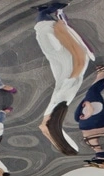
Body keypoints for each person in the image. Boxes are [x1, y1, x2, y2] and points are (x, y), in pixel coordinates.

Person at [33, 3, 95, 155]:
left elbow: (79, 62)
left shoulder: (61, 102)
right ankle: (46, 11)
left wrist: (63, 30)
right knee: (43, 28)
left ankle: (45, 11)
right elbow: (44, 128)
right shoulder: (57, 105)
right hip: (61, 56)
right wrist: (63, 32)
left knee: (44, 29)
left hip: (61, 57)